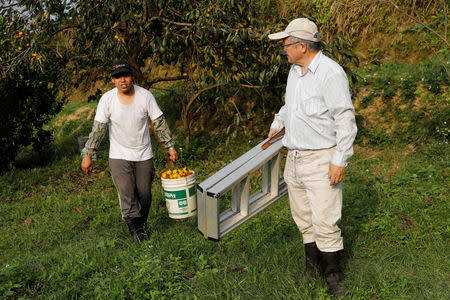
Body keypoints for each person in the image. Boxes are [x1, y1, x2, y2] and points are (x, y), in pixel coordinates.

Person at [267, 18, 357, 296]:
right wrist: (277, 123)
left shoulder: (330, 73)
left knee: (325, 219)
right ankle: (311, 267)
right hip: (294, 157)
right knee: (303, 217)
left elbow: (345, 118)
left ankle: (333, 276)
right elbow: (289, 105)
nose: (284, 49)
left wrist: (339, 160)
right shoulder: (295, 71)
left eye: (287, 44)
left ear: (302, 46)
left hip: (321, 157)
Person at [81, 60, 178, 244]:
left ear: (132, 76)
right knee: (126, 194)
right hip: (119, 155)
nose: (122, 80)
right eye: (118, 77)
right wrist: (88, 154)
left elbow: (159, 123)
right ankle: (137, 234)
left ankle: (141, 225)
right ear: (112, 80)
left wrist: (170, 146)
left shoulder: (145, 96)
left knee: (144, 194)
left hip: (143, 154)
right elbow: (99, 129)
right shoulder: (107, 100)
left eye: (125, 75)